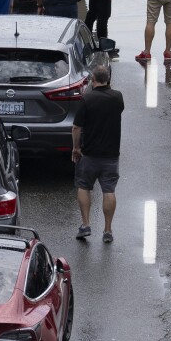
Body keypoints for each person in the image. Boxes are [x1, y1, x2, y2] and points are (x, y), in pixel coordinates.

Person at [72, 63, 123, 243]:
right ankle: (107, 230)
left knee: (84, 187)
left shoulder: (87, 99)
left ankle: (86, 225)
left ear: (93, 81)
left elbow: (77, 127)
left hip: (89, 154)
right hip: (110, 155)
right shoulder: (117, 98)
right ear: (108, 80)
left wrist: (76, 148)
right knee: (109, 190)